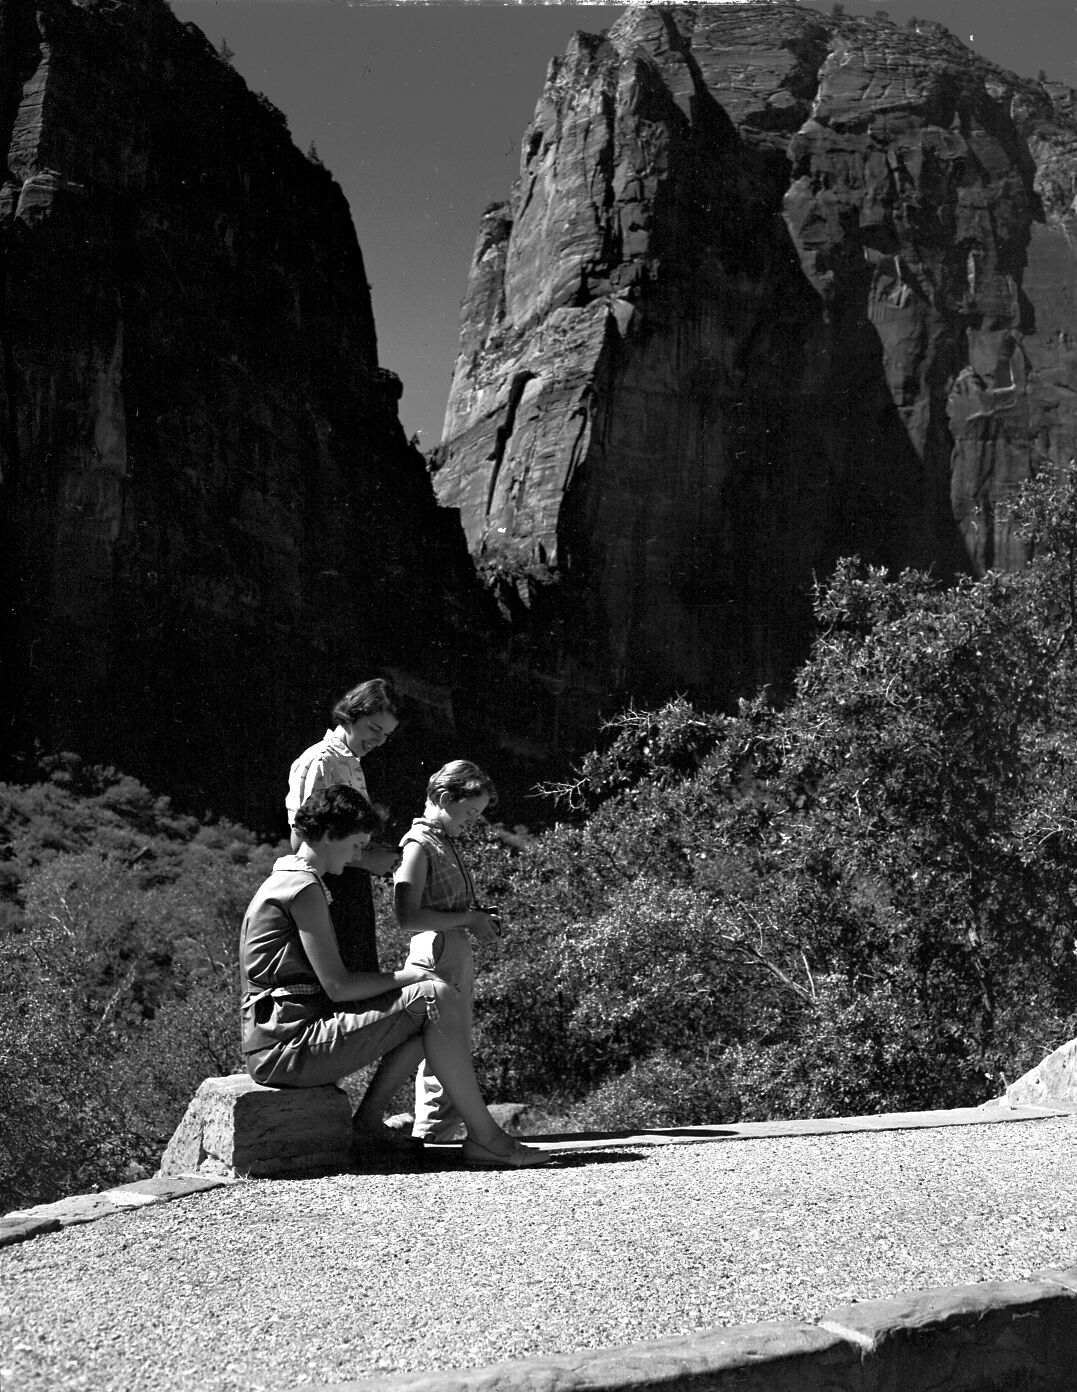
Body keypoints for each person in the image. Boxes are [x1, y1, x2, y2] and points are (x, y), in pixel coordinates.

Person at [240, 784, 546, 1168]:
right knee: (434, 995)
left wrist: (407, 981)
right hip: (287, 1047)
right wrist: (407, 975)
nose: (358, 856)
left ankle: (369, 1124)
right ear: (331, 836)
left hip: (280, 1038)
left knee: (428, 1005)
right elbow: (338, 987)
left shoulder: (289, 878)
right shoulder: (303, 888)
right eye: (355, 845)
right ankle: (486, 1137)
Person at [393, 760, 501, 1144]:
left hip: (450, 947)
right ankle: (433, 1136)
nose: (472, 821)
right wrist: (467, 919)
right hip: (437, 948)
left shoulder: (443, 843)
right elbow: (407, 916)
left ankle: (441, 1133)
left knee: (452, 1042)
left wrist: (472, 917)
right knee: (444, 1045)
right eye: (469, 812)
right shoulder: (419, 845)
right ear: (442, 797)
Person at [286, 678, 400, 975]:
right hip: (328, 890)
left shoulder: (351, 762)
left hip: (349, 885)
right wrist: (367, 859)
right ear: (351, 714)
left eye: (386, 734)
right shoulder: (322, 760)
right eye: (374, 729)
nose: (379, 740)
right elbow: (302, 843)